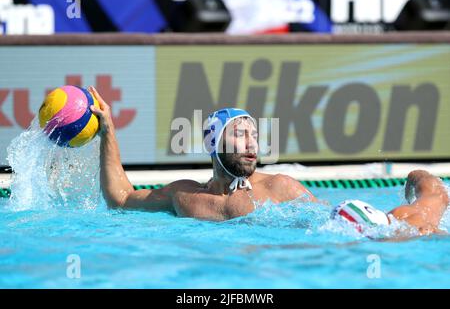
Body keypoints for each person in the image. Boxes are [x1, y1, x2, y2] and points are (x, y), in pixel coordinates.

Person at [88, 86, 316, 221]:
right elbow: (121, 199)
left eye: (254, 136)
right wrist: (108, 131)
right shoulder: (184, 196)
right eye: (240, 134)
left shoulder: (280, 187)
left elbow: (331, 219)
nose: (251, 144)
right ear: (212, 143)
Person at [332, 170, 449, 236]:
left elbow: (427, 230)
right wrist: (408, 196)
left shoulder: (402, 233)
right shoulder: (404, 212)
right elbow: (418, 176)